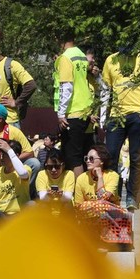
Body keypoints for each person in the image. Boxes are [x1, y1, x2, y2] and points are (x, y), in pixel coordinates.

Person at [100, 49, 140, 210]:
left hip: (138, 113)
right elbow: (105, 89)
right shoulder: (111, 59)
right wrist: (102, 114)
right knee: (111, 155)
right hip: (116, 115)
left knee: (136, 157)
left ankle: (132, 197)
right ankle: (113, 194)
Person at [0, 27, 37, 128]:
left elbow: (31, 85)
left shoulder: (11, 65)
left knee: (8, 145)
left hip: (7, 122)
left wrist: (17, 102)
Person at [73, 144, 132, 245]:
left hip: (110, 216)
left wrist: (100, 177)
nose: (87, 161)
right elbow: (78, 205)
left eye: (91, 158)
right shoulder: (81, 178)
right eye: (86, 158)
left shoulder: (113, 176)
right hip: (89, 216)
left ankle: (113, 238)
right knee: (96, 206)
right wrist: (93, 205)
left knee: (101, 205)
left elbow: (103, 198)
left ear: (102, 161)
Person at [53, 32, 93, 174]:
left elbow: (67, 86)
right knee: (82, 154)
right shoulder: (81, 55)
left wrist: (61, 113)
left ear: (59, 39)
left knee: (73, 157)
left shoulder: (65, 57)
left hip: (73, 111)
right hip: (85, 110)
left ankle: (78, 194)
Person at [0, 139, 31, 218]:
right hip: (1, 216)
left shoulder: (26, 169)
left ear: (16, 155)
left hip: (21, 215)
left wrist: (9, 150)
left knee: (32, 204)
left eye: (5, 154)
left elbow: (22, 173)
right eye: (1, 153)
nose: (1, 157)